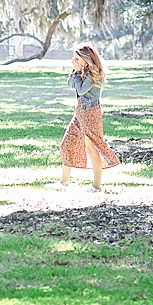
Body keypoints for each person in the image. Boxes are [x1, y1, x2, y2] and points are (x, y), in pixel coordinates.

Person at [50, 44, 120, 193]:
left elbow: (81, 91)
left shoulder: (95, 74)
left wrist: (77, 72)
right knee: (67, 143)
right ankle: (64, 183)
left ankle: (96, 186)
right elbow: (70, 85)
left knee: (92, 148)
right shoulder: (82, 71)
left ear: (86, 58)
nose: (74, 60)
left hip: (90, 114)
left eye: (77, 58)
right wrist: (75, 71)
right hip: (80, 112)